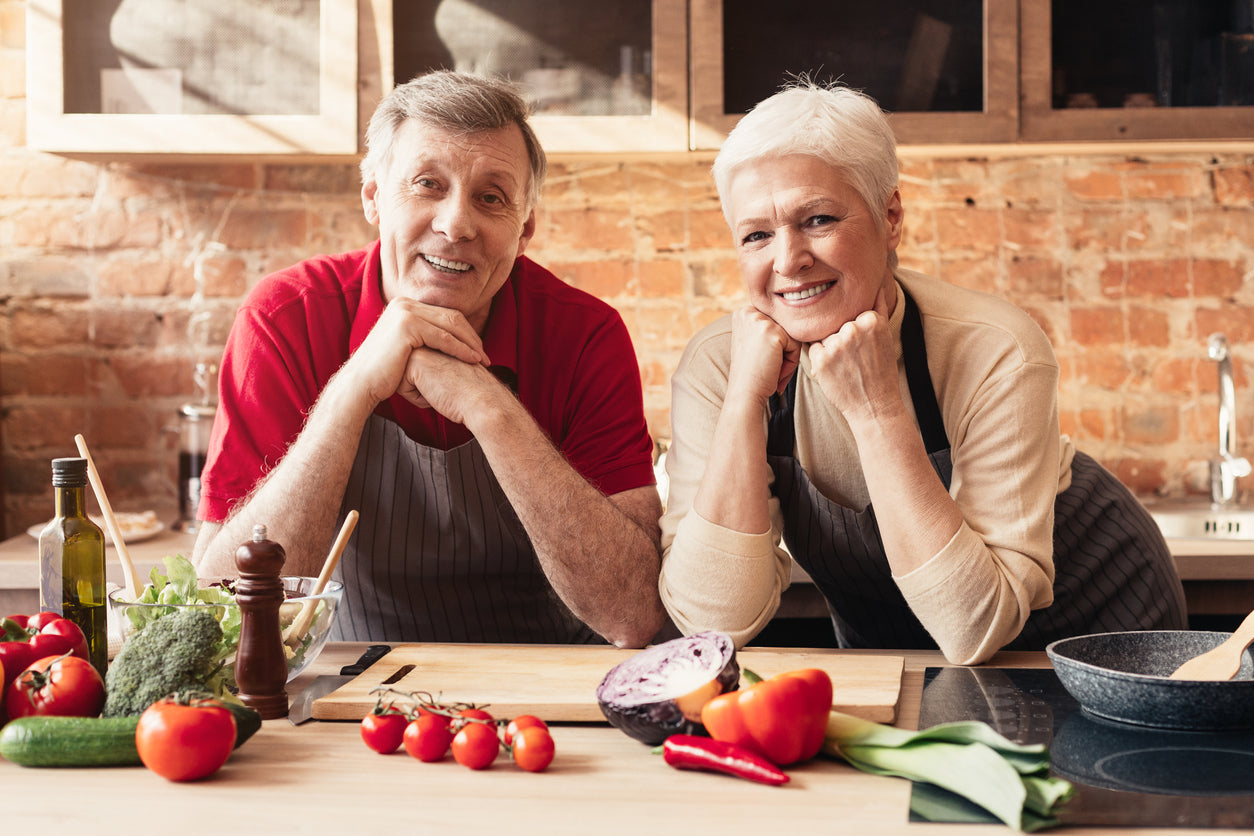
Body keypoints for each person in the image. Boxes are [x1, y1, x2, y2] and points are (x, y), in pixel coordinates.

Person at [658, 80, 1187, 665]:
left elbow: (975, 624)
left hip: (1096, 629)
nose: (788, 260)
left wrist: (877, 406)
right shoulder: (718, 366)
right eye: (756, 235)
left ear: (891, 218)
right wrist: (742, 404)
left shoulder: (995, 348)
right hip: (898, 654)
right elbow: (711, 622)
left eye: (818, 219)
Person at [192, 71, 665, 648]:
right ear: (373, 198)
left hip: (557, 677)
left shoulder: (586, 334)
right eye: (427, 185)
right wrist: (354, 388)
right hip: (351, 678)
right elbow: (220, 604)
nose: (456, 224)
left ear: (525, 229)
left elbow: (634, 613)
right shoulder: (287, 317)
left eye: (491, 198)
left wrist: (489, 406)